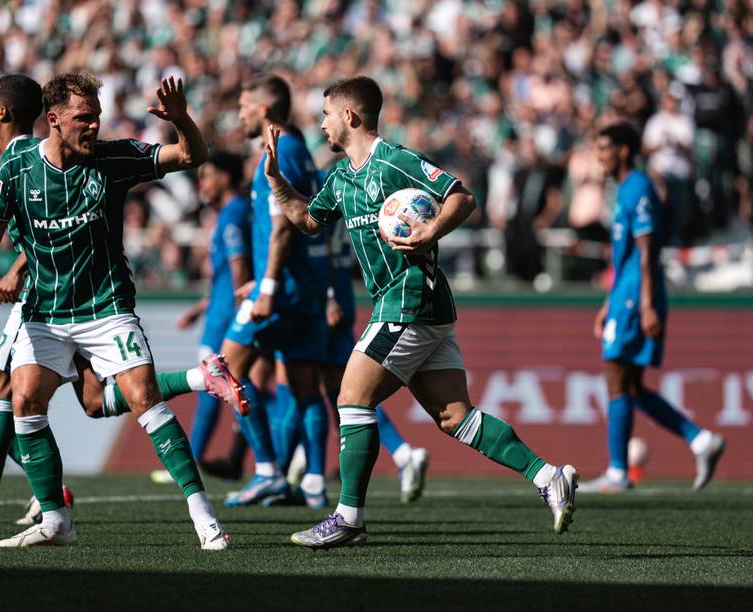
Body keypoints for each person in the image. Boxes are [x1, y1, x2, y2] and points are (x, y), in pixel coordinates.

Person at [263, 76, 578, 549]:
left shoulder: (396, 161)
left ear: (350, 116)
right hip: (419, 308)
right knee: (455, 418)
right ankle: (548, 476)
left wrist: (430, 230)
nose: (321, 123)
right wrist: (277, 182)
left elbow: (462, 198)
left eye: (326, 114)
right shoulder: (343, 178)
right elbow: (308, 221)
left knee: (351, 398)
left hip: (408, 300)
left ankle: (349, 518)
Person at [0, 75, 245, 535]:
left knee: (142, 398)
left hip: (106, 306)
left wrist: (182, 121)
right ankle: (55, 520)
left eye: (96, 115)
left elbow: (191, 155)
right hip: (46, 313)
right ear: (52, 120)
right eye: (83, 117)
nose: (94, 125)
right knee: (26, 400)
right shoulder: (16, 169)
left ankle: (204, 518)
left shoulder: (114, 157)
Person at [581, 122, 725, 493]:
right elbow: (626, 253)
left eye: (604, 148)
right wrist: (607, 303)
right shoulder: (625, 189)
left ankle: (617, 471)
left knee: (617, 376)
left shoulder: (638, 187)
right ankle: (699, 439)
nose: (599, 156)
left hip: (635, 295)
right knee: (630, 384)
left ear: (624, 150)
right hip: (624, 295)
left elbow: (647, 251)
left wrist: (644, 304)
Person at [219, 75, 329, 506]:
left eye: (244, 104)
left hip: (281, 289)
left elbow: (283, 224)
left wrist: (266, 285)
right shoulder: (300, 149)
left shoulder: (279, 149)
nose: (240, 113)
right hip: (305, 288)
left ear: (264, 109)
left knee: (223, 367)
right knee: (304, 387)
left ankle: (266, 470)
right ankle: (316, 484)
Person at [152, 150, 253, 483]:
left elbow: (239, 270)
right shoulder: (230, 212)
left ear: (225, 177)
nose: (202, 183)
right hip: (219, 311)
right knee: (241, 386)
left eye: (207, 176)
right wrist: (198, 309)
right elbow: (226, 274)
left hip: (226, 317)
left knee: (212, 384)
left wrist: (241, 314)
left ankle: (193, 455)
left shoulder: (234, 212)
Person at [320, 220, 430, 503]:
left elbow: (322, 248)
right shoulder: (342, 184)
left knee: (341, 390)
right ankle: (301, 467)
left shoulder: (330, 184)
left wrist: (327, 295)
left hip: (320, 295)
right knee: (337, 389)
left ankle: (298, 474)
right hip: (335, 291)